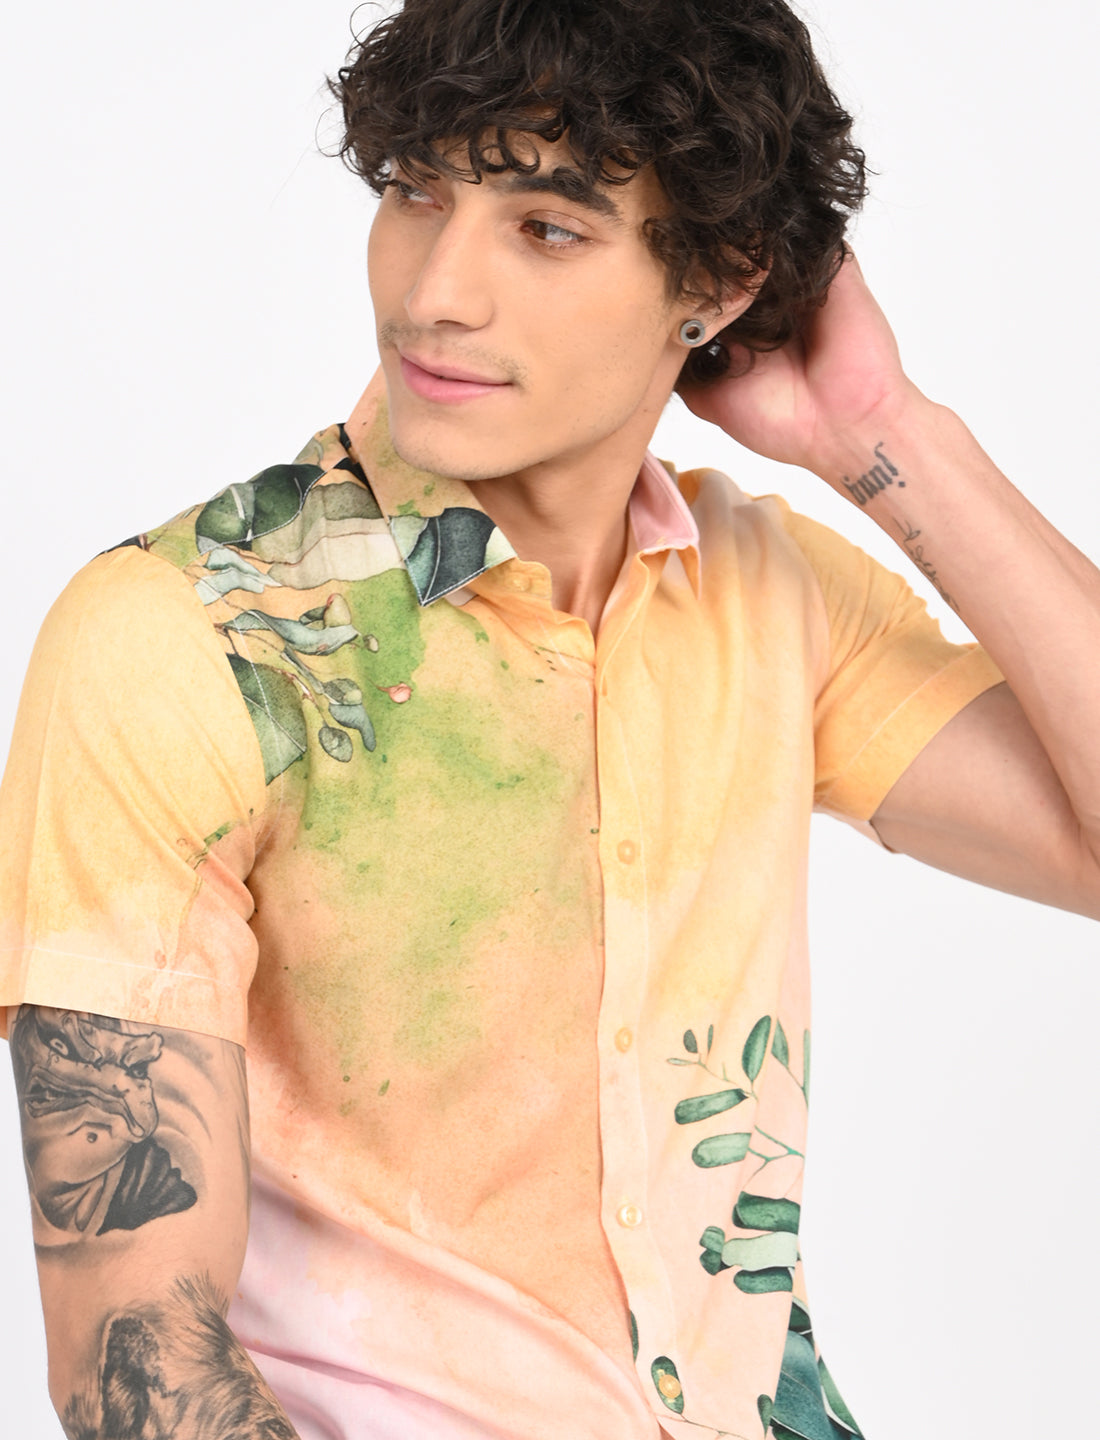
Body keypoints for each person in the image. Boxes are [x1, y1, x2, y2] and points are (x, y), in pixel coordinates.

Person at [1, 0, 1097, 1437]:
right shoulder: (189, 637)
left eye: (547, 227)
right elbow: (136, 1361)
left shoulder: (767, 598)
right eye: (416, 193)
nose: (434, 292)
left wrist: (886, 428)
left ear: (716, 283)